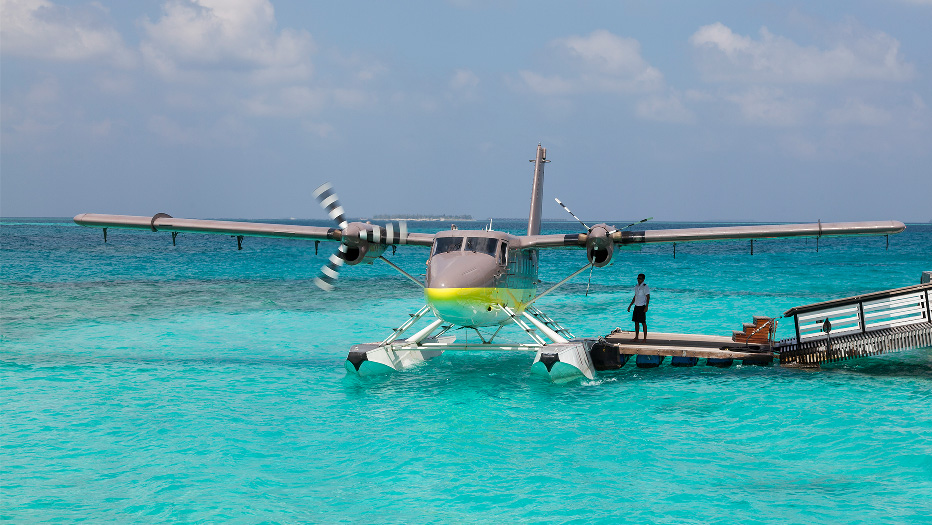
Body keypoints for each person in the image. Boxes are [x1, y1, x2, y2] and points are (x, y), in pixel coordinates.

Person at [626, 273, 650, 340]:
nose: (638, 280)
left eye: (640, 278)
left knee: (643, 322)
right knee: (636, 322)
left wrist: (647, 306)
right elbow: (635, 296)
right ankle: (636, 337)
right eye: (638, 278)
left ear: (643, 279)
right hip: (636, 306)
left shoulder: (645, 287)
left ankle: (645, 338)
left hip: (642, 306)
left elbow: (648, 297)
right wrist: (630, 305)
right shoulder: (636, 286)